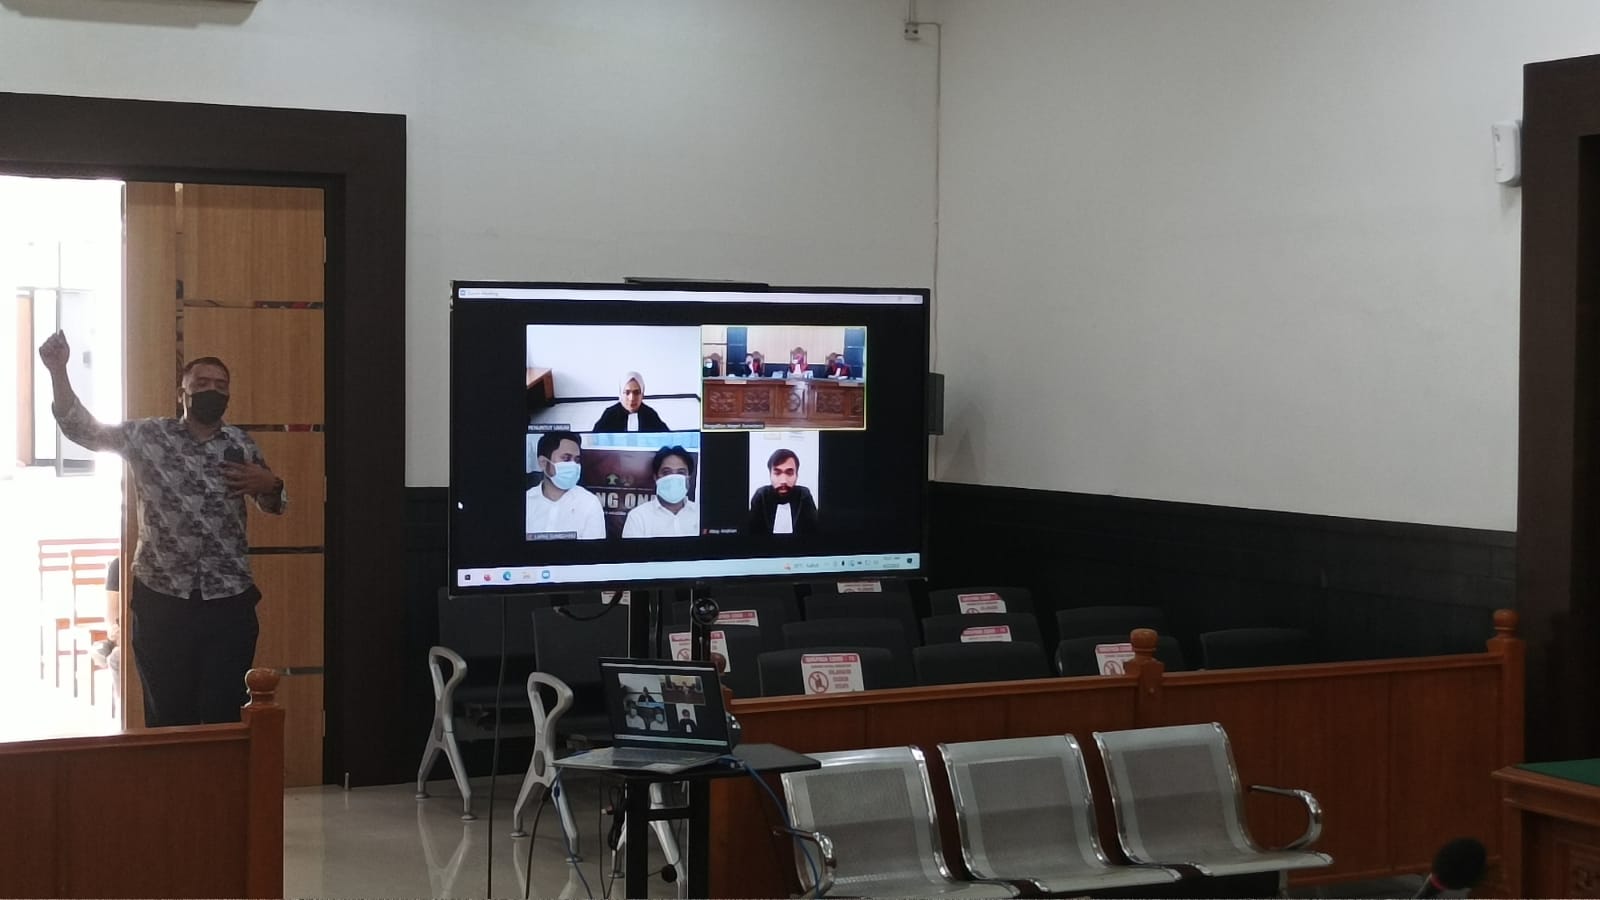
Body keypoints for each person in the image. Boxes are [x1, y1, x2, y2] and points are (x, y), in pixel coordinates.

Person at [39, 332, 287, 727]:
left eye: (220, 385)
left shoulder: (241, 443)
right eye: (201, 383)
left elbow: (275, 505)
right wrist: (58, 372)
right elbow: (81, 429)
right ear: (181, 393)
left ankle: (216, 772)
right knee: (168, 714)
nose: (212, 390)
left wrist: (270, 484)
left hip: (228, 599)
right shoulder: (148, 436)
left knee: (224, 712)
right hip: (162, 598)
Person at [525, 430, 606, 539]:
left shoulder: (589, 503)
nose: (573, 465)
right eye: (566, 458)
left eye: (577, 460)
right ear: (543, 463)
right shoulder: (527, 501)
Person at [622, 445, 700, 538]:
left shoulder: (700, 513)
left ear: (688, 478)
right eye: (666, 472)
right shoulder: (638, 517)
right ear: (656, 477)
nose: (673, 478)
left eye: (681, 473)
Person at [747, 448, 819, 535]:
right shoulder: (761, 495)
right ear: (770, 475)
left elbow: (814, 531)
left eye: (789, 473)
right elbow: (751, 532)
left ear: (797, 475)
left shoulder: (804, 495)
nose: (783, 480)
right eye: (777, 473)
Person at [591, 372, 670, 432]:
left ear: (642, 394)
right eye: (627, 392)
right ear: (621, 394)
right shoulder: (610, 414)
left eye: (636, 392)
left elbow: (667, 439)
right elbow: (594, 441)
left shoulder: (650, 415)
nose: (632, 398)